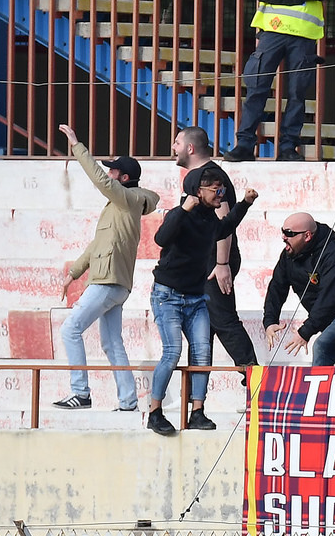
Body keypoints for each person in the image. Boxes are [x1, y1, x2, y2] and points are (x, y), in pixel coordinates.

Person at [55, 124, 157, 412]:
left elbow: (100, 180)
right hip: (113, 283)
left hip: (108, 282)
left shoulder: (129, 199)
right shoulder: (119, 205)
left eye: (113, 172)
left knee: (70, 330)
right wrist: (73, 274)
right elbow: (96, 246)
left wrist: (77, 145)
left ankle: (81, 393)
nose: (108, 174)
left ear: (123, 178)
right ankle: (127, 402)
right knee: (112, 343)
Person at [149, 169, 257, 435]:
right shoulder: (180, 214)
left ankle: (197, 411)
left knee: (202, 352)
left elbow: (224, 228)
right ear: (199, 192)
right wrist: (183, 211)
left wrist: (245, 204)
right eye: (215, 190)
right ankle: (155, 411)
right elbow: (161, 239)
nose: (221, 195)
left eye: (222, 190)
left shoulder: (210, 218)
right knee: (172, 352)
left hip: (196, 297)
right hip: (168, 295)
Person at [225, 0, 333, 162]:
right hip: (271, 32)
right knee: (257, 89)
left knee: (296, 94)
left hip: (303, 36)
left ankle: (287, 148)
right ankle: (244, 146)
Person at [177, 128, 258, 381]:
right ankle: (196, 403)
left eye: (177, 142)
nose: (173, 147)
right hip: (201, 263)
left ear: (190, 148)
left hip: (215, 261)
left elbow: (224, 223)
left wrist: (222, 263)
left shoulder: (212, 176)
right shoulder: (195, 176)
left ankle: (256, 384)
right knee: (201, 331)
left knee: (224, 320)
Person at [262, 212, 335, 365]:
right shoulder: (289, 254)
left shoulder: (334, 256)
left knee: (323, 346)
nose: (284, 237)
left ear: (307, 236)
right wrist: (270, 321)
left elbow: (328, 299)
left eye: (289, 233)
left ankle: (318, 389)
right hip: (328, 317)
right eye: (283, 232)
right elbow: (277, 287)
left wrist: (305, 332)